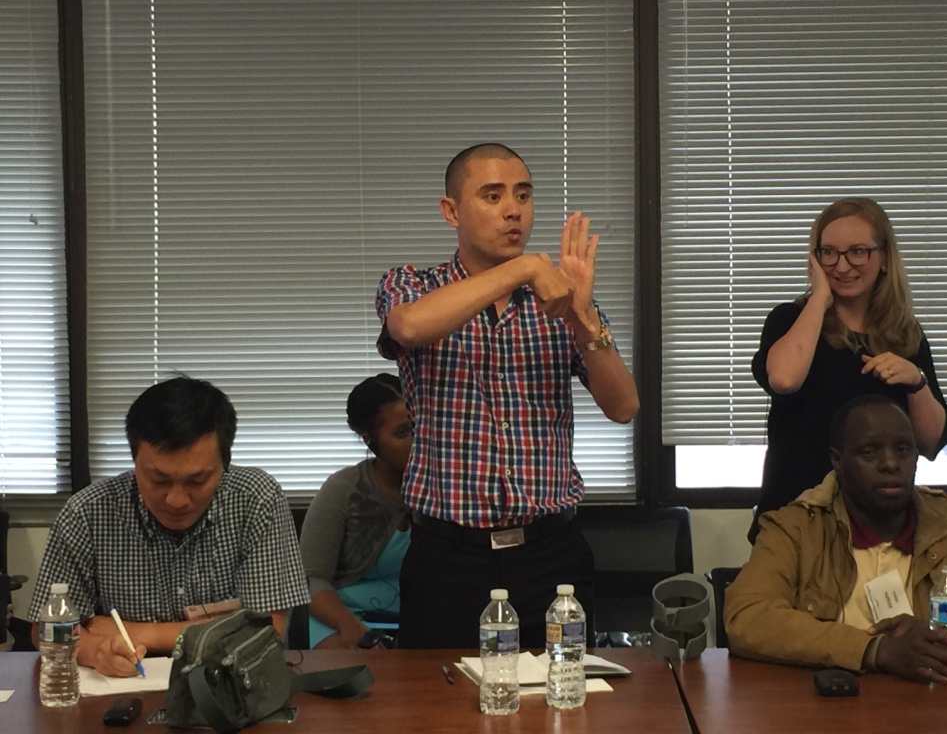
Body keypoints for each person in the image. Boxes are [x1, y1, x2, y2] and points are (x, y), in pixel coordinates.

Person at [375, 142, 639, 649]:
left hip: (551, 554)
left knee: (563, 708)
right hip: (448, 557)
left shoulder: (558, 298)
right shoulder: (410, 284)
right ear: (451, 211)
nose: (513, 210)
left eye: (522, 195)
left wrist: (583, 319)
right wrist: (523, 268)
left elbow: (623, 406)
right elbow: (409, 326)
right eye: (492, 196)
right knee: (437, 708)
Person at [725, 395, 947, 684]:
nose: (891, 464)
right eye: (870, 451)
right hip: (828, 709)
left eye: (904, 449)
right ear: (837, 460)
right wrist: (875, 650)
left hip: (938, 705)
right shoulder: (797, 528)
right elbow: (748, 616)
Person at [28, 376, 309, 677]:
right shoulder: (87, 512)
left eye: (197, 481)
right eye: (159, 480)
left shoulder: (256, 499)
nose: (176, 500)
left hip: (231, 690)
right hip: (121, 693)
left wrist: (136, 634)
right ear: (134, 460)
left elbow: (267, 632)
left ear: (224, 465)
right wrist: (97, 651)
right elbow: (46, 632)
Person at [750, 197, 947, 542]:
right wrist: (819, 298)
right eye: (829, 253)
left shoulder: (907, 335)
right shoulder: (790, 320)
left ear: (884, 256)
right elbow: (784, 379)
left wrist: (915, 382)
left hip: (880, 527)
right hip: (795, 522)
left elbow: (931, 443)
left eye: (857, 251)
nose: (842, 266)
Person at [299, 373, 411, 649]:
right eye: (402, 432)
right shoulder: (344, 489)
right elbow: (310, 579)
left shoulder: (447, 488)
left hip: (416, 621)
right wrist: (353, 629)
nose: (417, 441)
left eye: (423, 428)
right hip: (340, 618)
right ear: (369, 438)